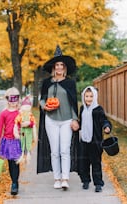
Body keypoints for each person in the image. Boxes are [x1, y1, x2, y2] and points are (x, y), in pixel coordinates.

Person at [37, 45, 79, 190]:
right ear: (54, 67)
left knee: (64, 150)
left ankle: (65, 178)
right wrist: (44, 106)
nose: (59, 67)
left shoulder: (70, 83)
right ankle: (57, 177)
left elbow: (74, 102)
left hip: (67, 120)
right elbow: (42, 98)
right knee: (54, 150)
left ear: (65, 68)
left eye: (62, 65)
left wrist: (75, 119)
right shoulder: (47, 83)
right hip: (51, 120)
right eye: (57, 65)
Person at [78, 86, 112, 193]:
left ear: (95, 97)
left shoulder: (98, 109)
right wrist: (76, 125)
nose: (89, 99)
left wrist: (107, 127)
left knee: (96, 162)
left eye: (91, 96)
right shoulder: (82, 108)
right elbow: (80, 121)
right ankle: (86, 181)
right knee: (84, 162)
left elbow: (104, 120)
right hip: (84, 140)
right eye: (86, 96)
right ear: (83, 97)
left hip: (95, 141)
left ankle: (98, 183)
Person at [0, 87, 22, 196]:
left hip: (17, 141)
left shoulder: (20, 113)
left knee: (16, 163)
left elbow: (27, 124)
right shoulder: (3, 114)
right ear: (7, 99)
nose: (13, 102)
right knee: (10, 163)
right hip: (8, 142)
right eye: (11, 99)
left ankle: (15, 183)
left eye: (16, 99)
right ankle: (13, 181)